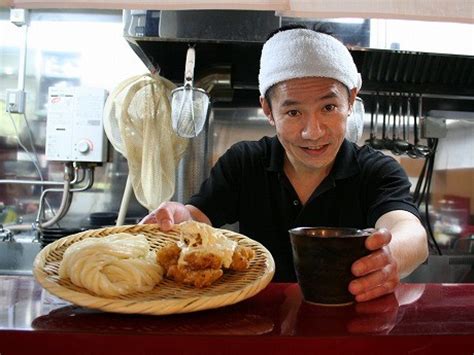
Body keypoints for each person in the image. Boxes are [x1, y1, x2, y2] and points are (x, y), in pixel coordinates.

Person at [141, 26, 428, 302]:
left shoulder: (376, 171)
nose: (313, 132)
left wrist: (391, 256)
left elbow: (411, 232)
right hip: (260, 326)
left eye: (329, 107)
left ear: (351, 100)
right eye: (293, 112)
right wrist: (178, 217)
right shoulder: (244, 163)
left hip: (348, 325)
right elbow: (196, 218)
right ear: (268, 109)